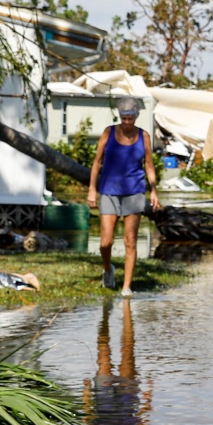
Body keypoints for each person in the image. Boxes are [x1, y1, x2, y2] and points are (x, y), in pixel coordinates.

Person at [86, 96, 161, 296]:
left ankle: (127, 287)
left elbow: (149, 165)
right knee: (106, 242)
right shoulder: (108, 133)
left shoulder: (143, 136)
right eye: (124, 118)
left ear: (137, 116)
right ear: (120, 116)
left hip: (134, 191)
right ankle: (108, 268)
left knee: (130, 240)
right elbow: (97, 162)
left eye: (131, 118)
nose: (127, 122)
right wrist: (92, 189)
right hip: (109, 190)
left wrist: (153, 190)